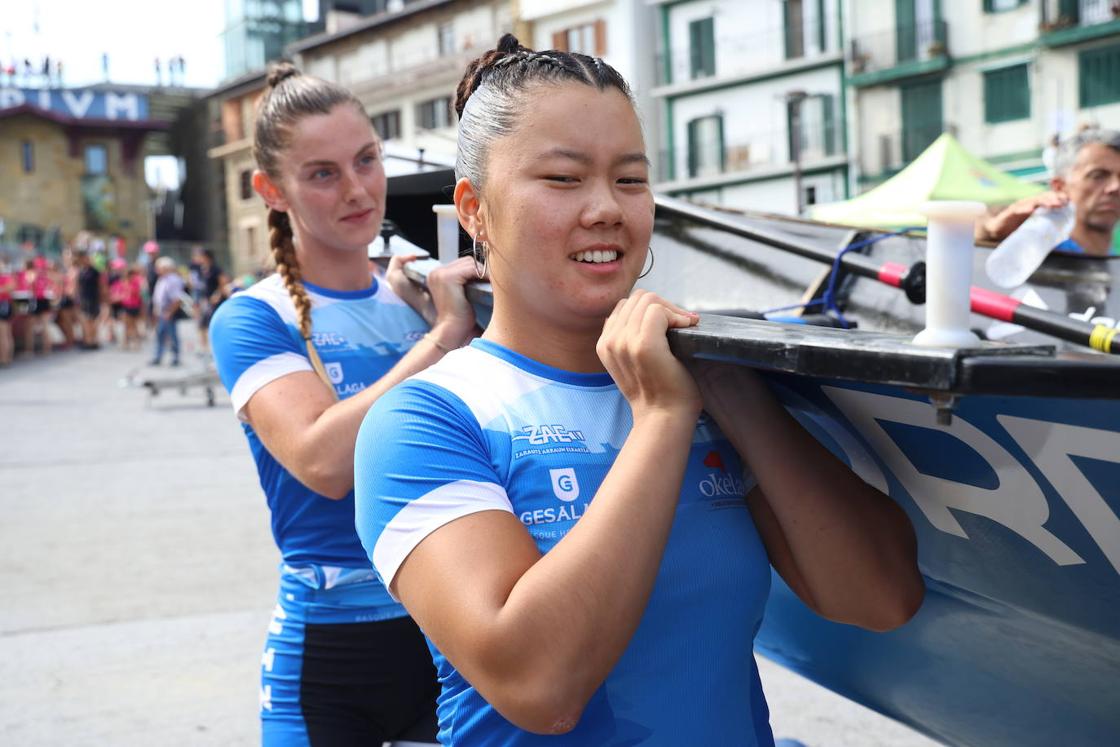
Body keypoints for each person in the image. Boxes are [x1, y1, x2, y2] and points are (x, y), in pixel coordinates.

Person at [353, 35, 925, 746]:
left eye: (630, 179)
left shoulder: (706, 384)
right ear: (473, 208)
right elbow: (539, 685)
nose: (606, 209)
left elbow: (880, 596)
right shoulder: (425, 420)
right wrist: (661, 417)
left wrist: (732, 393)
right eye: (564, 179)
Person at [208, 62, 478, 746]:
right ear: (271, 190)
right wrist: (443, 341)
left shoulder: (421, 297)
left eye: (366, 160)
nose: (357, 189)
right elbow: (322, 459)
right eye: (322, 173)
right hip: (324, 665)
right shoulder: (251, 318)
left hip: (444, 641)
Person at [977, 127, 1120, 256]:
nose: (1115, 187)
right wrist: (990, 235)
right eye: (1098, 175)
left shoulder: (1113, 261)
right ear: (1059, 186)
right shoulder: (1034, 255)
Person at [190, 246, 228, 353]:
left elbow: (223, 284)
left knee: (215, 325)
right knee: (202, 325)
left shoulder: (216, 269)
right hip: (206, 301)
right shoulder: (202, 269)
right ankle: (205, 349)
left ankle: (217, 349)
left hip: (216, 302)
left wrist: (217, 294)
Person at [149, 256, 184, 366]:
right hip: (162, 311)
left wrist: (170, 312)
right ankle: (158, 356)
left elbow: (177, 299)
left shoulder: (173, 280)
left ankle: (175, 357)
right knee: (160, 334)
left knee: (171, 334)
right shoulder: (163, 279)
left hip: (168, 311)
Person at [75, 249, 105, 350]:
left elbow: (101, 286)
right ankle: (88, 340)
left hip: (93, 298)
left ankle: (92, 340)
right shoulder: (81, 271)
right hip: (84, 299)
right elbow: (78, 286)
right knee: (85, 321)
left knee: (91, 320)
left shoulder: (95, 271)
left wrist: (102, 299)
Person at [0, 258, 13, 366]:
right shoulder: (6, 277)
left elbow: (10, 288)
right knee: (6, 333)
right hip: (5, 305)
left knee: (3, 333)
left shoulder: (5, 277)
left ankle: (4, 359)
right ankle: (6, 357)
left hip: (3, 305)